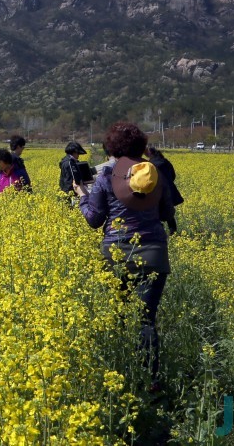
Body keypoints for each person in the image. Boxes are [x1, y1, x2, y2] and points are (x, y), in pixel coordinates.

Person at [72, 121, 175, 387]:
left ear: (113, 147)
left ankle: (119, 375)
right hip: (154, 253)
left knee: (116, 315)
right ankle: (149, 380)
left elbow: (94, 219)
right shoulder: (155, 174)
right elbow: (167, 213)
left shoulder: (107, 176)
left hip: (116, 255)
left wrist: (82, 195)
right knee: (145, 320)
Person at [145, 145, 183, 235]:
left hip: (156, 191)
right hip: (169, 189)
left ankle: (159, 232)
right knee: (169, 212)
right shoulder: (165, 161)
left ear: (150, 153)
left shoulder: (150, 164)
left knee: (156, 212)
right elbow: (173, 175)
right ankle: (173, 231)